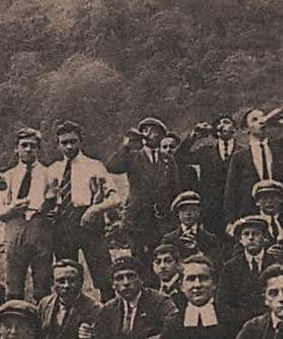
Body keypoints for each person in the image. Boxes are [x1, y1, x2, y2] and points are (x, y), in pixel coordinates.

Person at [45, 120, 123, 301]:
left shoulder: (94, 166)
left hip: (90, 223)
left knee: (104, 277)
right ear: (58, 145)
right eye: (64, 143)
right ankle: (73, 318)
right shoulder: (53, 169)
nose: (69, 146)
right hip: (63, 225)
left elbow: (115, 198)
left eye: (73, 141)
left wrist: (95, 209)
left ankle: (109, 316)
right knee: (68, 277)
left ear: (81, 142)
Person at [106, 116, 184, 282]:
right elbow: (112, 166)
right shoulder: (133, 156)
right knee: (140, 260)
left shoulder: (168, 160)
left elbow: (175, 188)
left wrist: (174, 216)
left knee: (162, 260)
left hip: (162, 220)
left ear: (162, 135)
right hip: (138, 219)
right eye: (146, 131)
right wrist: (126, 146)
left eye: (154, 131)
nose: (149, 134)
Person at [222, 107, 283, 235]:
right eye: (254, 120)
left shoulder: (280, 148)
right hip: (251, 214)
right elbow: (231, 189)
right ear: (246, 129)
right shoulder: (239, 157)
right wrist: (230, 221)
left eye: (263, 117)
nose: (261, 121)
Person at [0, 127, 53, 302]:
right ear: (16, 148)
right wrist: (12, 209)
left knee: (43, 283)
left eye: (33, 146)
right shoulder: (6, 176)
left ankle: (43, 323)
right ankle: (15, 323)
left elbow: (54, 204)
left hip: (40, 231)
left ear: (38, 150)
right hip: (15, 229)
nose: (28, 149)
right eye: (24, 145)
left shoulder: (48, 174)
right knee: (14, 284)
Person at [181, 113, 240, 237]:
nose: (221, 125)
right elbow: (179, 158)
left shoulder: (243, 152)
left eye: (226, 122)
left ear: (235, 129)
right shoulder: (205, 151)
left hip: (237, 209)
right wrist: (194, 136)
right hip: (211, 211)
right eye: (218, 124)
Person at [220, 215, 283, 324]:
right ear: (240, 240)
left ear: (264, 238)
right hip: (240, 324)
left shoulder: (276, 264)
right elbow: (223, 302)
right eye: (246, 234)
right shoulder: (230, 267)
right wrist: (243, 318)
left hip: (272, 322)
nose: (251, 238)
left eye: (256, 234)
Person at [162, 189, 221, 263]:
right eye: (184, 210)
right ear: (178, 213)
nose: (188, 213)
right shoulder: (169, 239)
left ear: (199, 212)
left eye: (193, 209)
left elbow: (217, 265)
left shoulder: (211, 239)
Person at [248, 178, 283, 255]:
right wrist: (264, 254)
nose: (269, 201)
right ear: (257, 202)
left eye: (273, 197)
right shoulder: (252, 224)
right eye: (264, 197)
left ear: (281, 199)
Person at [152, 241, 186, 307]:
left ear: (177, 264)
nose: (162, 266)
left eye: (168, 261)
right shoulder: (150, 288)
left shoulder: (185, 286)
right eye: (158, 262)